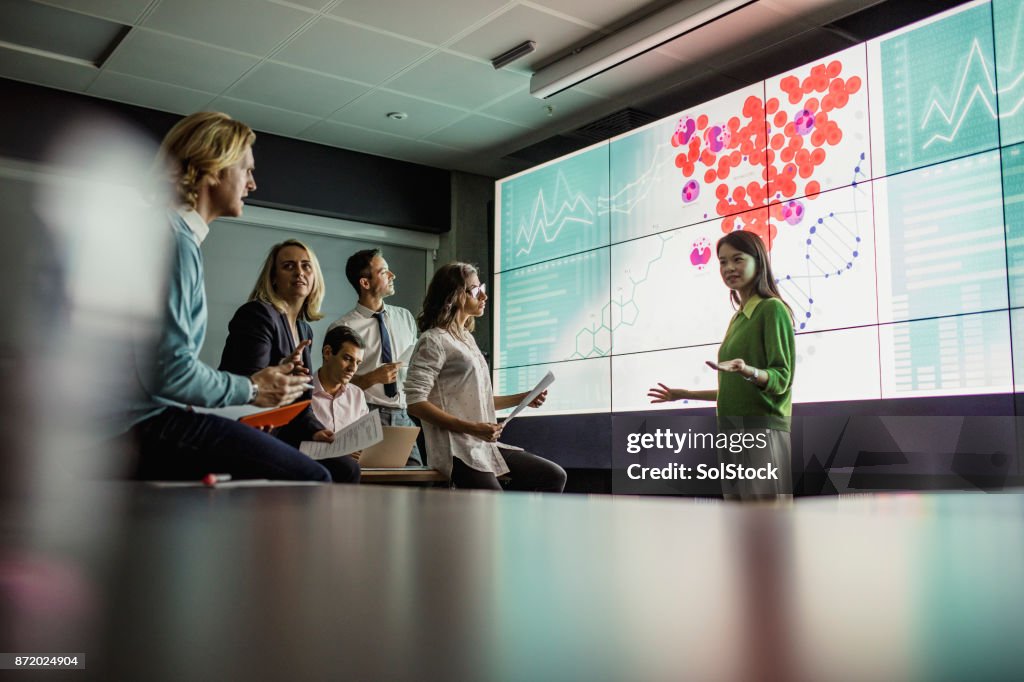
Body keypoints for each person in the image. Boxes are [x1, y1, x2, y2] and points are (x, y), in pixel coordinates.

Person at [125, 111, 330, 482]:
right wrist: (253, 388)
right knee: (313, 478)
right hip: (139, 425)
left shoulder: (163, 234)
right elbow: (171, 372)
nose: (251, 184)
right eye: (246, 170)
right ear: (213, 169)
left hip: (134, 421)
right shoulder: (174, 243)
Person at [647, 229, 795, 501]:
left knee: (767, 528)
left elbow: (781, 378)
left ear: (758, 262)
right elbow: (737, 389)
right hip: (731, 432)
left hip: (760, 432)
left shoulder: (772, 309)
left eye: (737, 259)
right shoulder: (739, 317)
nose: (729, 268)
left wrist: (747, 370)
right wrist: (685, 395)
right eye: (722, 262)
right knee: (739, 528)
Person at [405, 262, 566, 492]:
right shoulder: (433, 341)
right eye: (475, 289)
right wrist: (472, 427)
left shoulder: (467, 339)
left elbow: (478, 399)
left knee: (552, 475)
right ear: (457, 295)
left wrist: (523, 398)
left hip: (482, 444)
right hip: (456, 449)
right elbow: (415, 404)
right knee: (495, 505)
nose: (484, 295)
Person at [219, 240, 359, 483]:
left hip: (283, 433)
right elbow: (250, 384)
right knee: (330, 473)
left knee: (347, 468)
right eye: (288, 266)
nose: (299, 272)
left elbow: (301, 403)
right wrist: (281, 370)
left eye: (306, 266)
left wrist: (316, 431)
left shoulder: (305, 331)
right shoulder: (257, 314)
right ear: (273, 278)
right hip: (251, 431)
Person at [329, 249, 422, 465]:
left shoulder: (405, 317)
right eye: (384, 272)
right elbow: (332, 385)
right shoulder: (343, 328)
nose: (393, 276)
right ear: (365, 282)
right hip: (366, 414)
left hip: (403, 414)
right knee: (372, 482)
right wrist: (372, 378)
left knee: (417, 477)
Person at [310, 326, 370, 461]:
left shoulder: (357, 395)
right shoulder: (301, 392)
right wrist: (337, 454)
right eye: (348, 358)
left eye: (358, 363)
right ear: (327, 352)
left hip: (352, 471)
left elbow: (363, 442)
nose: (353, 368)